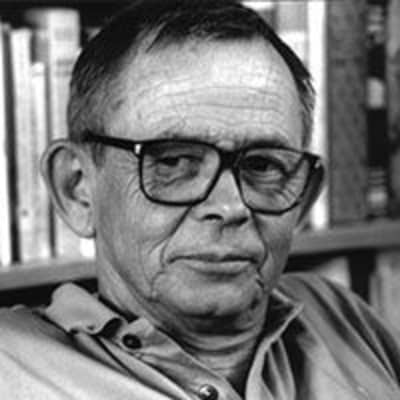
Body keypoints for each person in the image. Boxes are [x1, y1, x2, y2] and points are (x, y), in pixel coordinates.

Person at [1, 0, 400, 398]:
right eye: (173, 162)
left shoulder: (343, 321)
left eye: (262, 165)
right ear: (76, 190)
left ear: (303, 198)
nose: (230, 207)